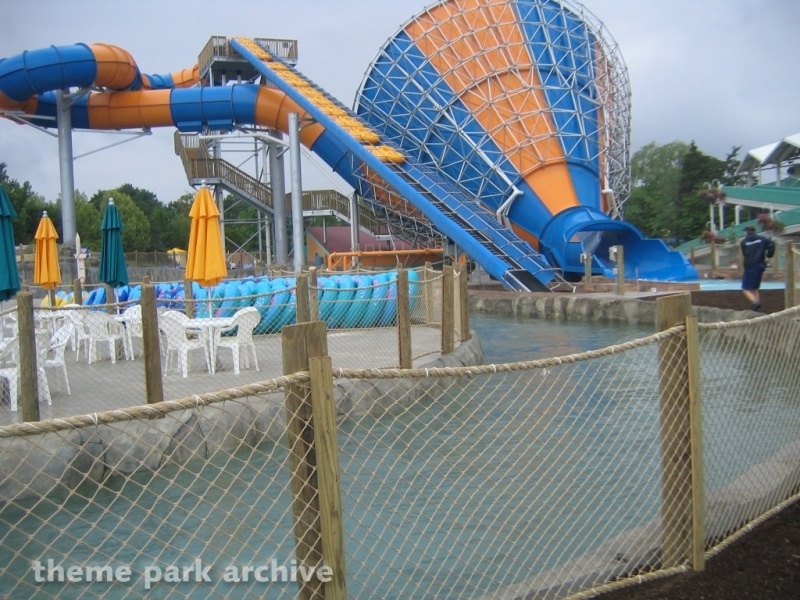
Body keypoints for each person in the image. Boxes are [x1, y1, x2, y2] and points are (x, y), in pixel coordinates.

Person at [740, 224, 775, 311]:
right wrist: (769, 256)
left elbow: (745, 254)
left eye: (745, 232)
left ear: (747, 232)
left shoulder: (744, 242)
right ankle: (757, 309)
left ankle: (755, 302)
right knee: (755, 288)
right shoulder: (762, 239)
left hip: (750, 266)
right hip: (760, 266)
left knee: (745, 289)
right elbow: (772, 244)